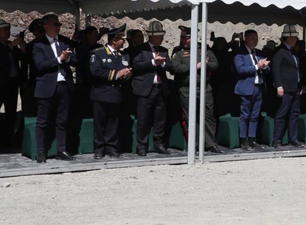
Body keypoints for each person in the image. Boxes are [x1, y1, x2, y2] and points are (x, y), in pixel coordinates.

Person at [31, 14, 77, 163]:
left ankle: (61, 150)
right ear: (46, 26)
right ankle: (41, 152)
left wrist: (68, 58)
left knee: (62, 121)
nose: (58, 27)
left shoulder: (65, 41)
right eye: (55, 24)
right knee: (43, 121)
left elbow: (76, 60)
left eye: (59, 24)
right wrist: (59, 59)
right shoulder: (39, 45)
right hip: (46, 87)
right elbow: (40, 65)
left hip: (64, 85)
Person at [172, 32, 221, 154]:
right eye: (182, 38)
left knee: (208, 116)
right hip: (187, 88)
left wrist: (205, 64)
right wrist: (194, 66)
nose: (184, 40)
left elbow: (215, 64)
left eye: (186, 38)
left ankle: (210, 144)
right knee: (189, 117)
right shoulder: (178, 51)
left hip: (204, 87)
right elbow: (175, 67)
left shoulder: (204, 49)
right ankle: (193, 145)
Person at [89, 25, 132, 159]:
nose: (124, 41)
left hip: (116, 94)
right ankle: (99, 148)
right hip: (101, 93)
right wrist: (116, 74)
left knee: (113, 123)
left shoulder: (123, 56)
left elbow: (126, 73)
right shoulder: (98, 53)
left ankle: (111, 147)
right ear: (114, 40)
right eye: (122, 39)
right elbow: (95, 71)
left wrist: (126, 75)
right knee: (99, 123)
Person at [132, 21, 175, 155]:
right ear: (151, 36)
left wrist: (162, 64)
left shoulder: (163, 50)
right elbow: (136, 65)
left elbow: (171, 66)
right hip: (145, 89)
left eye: (161, 36)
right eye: (158, 36)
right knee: (143, 119)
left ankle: (159, 144)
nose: (161, 38)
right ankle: (142, 145)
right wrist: (152, 62)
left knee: (160, 119)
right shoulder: (140, 49)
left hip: (160, 88)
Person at [233, 29, 271, 150]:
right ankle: (243, 140)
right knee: (245, 115)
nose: (255, 41)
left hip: (258, 87)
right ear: (246, 39)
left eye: (256, 38)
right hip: (246, 88)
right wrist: (257, 66)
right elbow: (240, 69)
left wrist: (264, 67)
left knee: (255, 115)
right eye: (252, 38)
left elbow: (267, 70)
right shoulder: (240, 53)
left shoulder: (259, 53)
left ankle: (252, 138)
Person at [271, 24, 303, 147]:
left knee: (294, 113)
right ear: (288, 38)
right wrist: (279, 86)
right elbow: (276, 69)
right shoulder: (280, 51)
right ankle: (277, 139)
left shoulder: (292, 51)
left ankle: (293, 138)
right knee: (282, 113)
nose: (296, 40)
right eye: (294, 37)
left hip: (294, 87)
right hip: (285, 88)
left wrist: (299, 85)